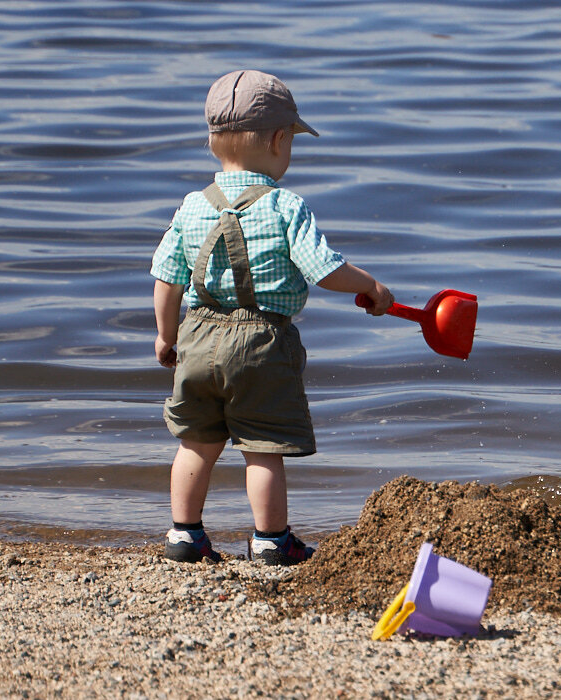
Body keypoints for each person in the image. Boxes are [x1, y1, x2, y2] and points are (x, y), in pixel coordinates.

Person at [150, 70, 393, 566]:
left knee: (196, 443)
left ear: (213, 140)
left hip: (197, 335)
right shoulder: (286, 206)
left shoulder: (192, 206)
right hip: (262, 342)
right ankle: (270, 540)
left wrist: (165, 336)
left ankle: (184, 535)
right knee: (262, 448)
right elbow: (324, 270)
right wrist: (370, 286)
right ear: (280, 140)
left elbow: (166, 279)